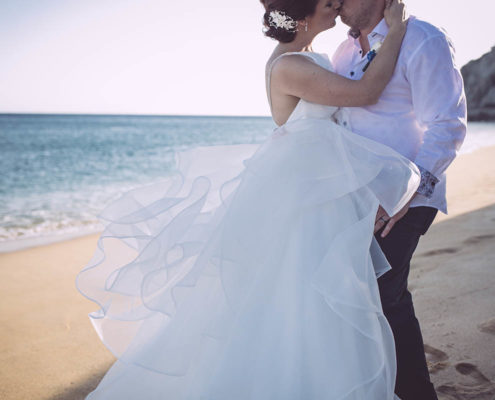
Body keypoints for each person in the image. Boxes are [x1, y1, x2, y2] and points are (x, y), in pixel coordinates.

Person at [76, 0, 419, 398]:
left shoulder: (303, 55)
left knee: (314, 290)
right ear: (304, 17)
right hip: (305, 192)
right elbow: (366, 91)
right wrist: (395, 31)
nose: (335, 5)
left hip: (315, 183)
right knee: (303, 290)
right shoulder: (290, 65)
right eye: (327, 4)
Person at [331, 1, 467, 399]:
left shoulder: (423, 39)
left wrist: (405, 193)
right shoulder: (343, 53)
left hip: (406, 197)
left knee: (385, 294)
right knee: (365, 298)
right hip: (358, 199)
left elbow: (447, 124)